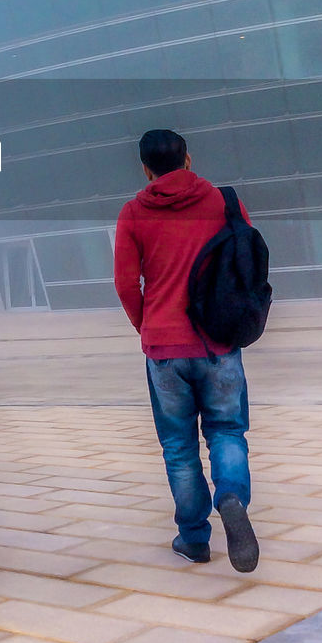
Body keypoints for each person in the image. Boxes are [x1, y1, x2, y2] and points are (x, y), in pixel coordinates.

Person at [113, 130, 259, 572]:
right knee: (227, 431)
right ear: (188, 159)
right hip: (217, 340)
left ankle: (195, 540)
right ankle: (231, 493)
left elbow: (124, 283)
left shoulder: (134, 212)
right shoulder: (222, 201)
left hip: (164, 347)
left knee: (178, 448)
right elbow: (245, 260)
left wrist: (146, 325)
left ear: (145, 168)